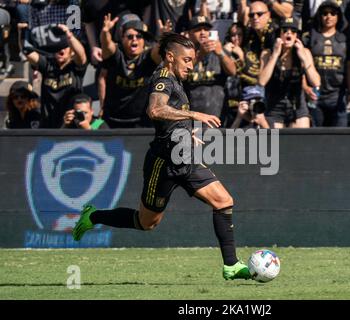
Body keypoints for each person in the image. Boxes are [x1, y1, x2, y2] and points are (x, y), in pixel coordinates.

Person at [72, 32, 252, 281]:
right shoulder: (163, 78)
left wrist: (186, 134)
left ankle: (231, 265)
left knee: (224, 201)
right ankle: (92, 216)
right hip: (163, 163)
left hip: (185, 157)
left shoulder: (177, 80)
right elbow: (156, 109)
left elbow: (170, 116)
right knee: (147, 222)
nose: (191, 65)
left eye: (193, 60)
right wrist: (194, 116)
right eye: (187, 60)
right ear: (170, 57)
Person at [100, 14, 160, 128]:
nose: (134, 39)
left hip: (141, 121)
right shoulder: (116, 54)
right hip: (111, 120)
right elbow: (107, 45)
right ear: (122, 38)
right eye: (130, 36)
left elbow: (158, 51)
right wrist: (105, 32)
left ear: (144, 40)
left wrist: (164, 36)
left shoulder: (148, 57)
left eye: (139, 36)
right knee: (94, 127)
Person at [259, 17, 320, 128]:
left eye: (293, 31)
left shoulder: (304, 52)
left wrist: (304, 59)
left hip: (297, 105)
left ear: (297, 36)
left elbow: (316, 82)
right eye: (285, 30)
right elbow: (262, 81)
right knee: (276, 143)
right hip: (274, 106)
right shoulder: (267, 53)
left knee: (299, 142)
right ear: (279, 34)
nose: (289, 33)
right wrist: (275, 55)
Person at [24, 24, 87, 128]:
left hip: (70, 125)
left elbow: (81, 54)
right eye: (58, 47)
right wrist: (23, 33)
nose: (61, 50)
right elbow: (27, 52)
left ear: (71, 52)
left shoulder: (75, 67)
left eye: (65, 47)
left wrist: (69, 35)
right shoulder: (48, 64)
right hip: (48, 125)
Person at [303, 0, 350, 127]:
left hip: (338, 95)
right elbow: (302, 66)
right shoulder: (310, 37)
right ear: (319, 16)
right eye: (325, 13)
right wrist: (305, 87)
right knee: (316, 137)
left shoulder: (345, 39)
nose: (329, 17)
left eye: (333, 13)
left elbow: (349, 66)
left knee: (340, 137)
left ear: (339, 16)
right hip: (316, 95)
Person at [185, 15, 236, 119]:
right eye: (198, 29)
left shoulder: (220, 51)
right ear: (189, 34)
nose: (203, 32)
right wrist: (200, 55)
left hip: (217, 117)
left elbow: (232, 71)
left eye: (206, 29)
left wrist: (220, 52)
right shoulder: (184, 55)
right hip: (191, 118)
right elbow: (179, 74)